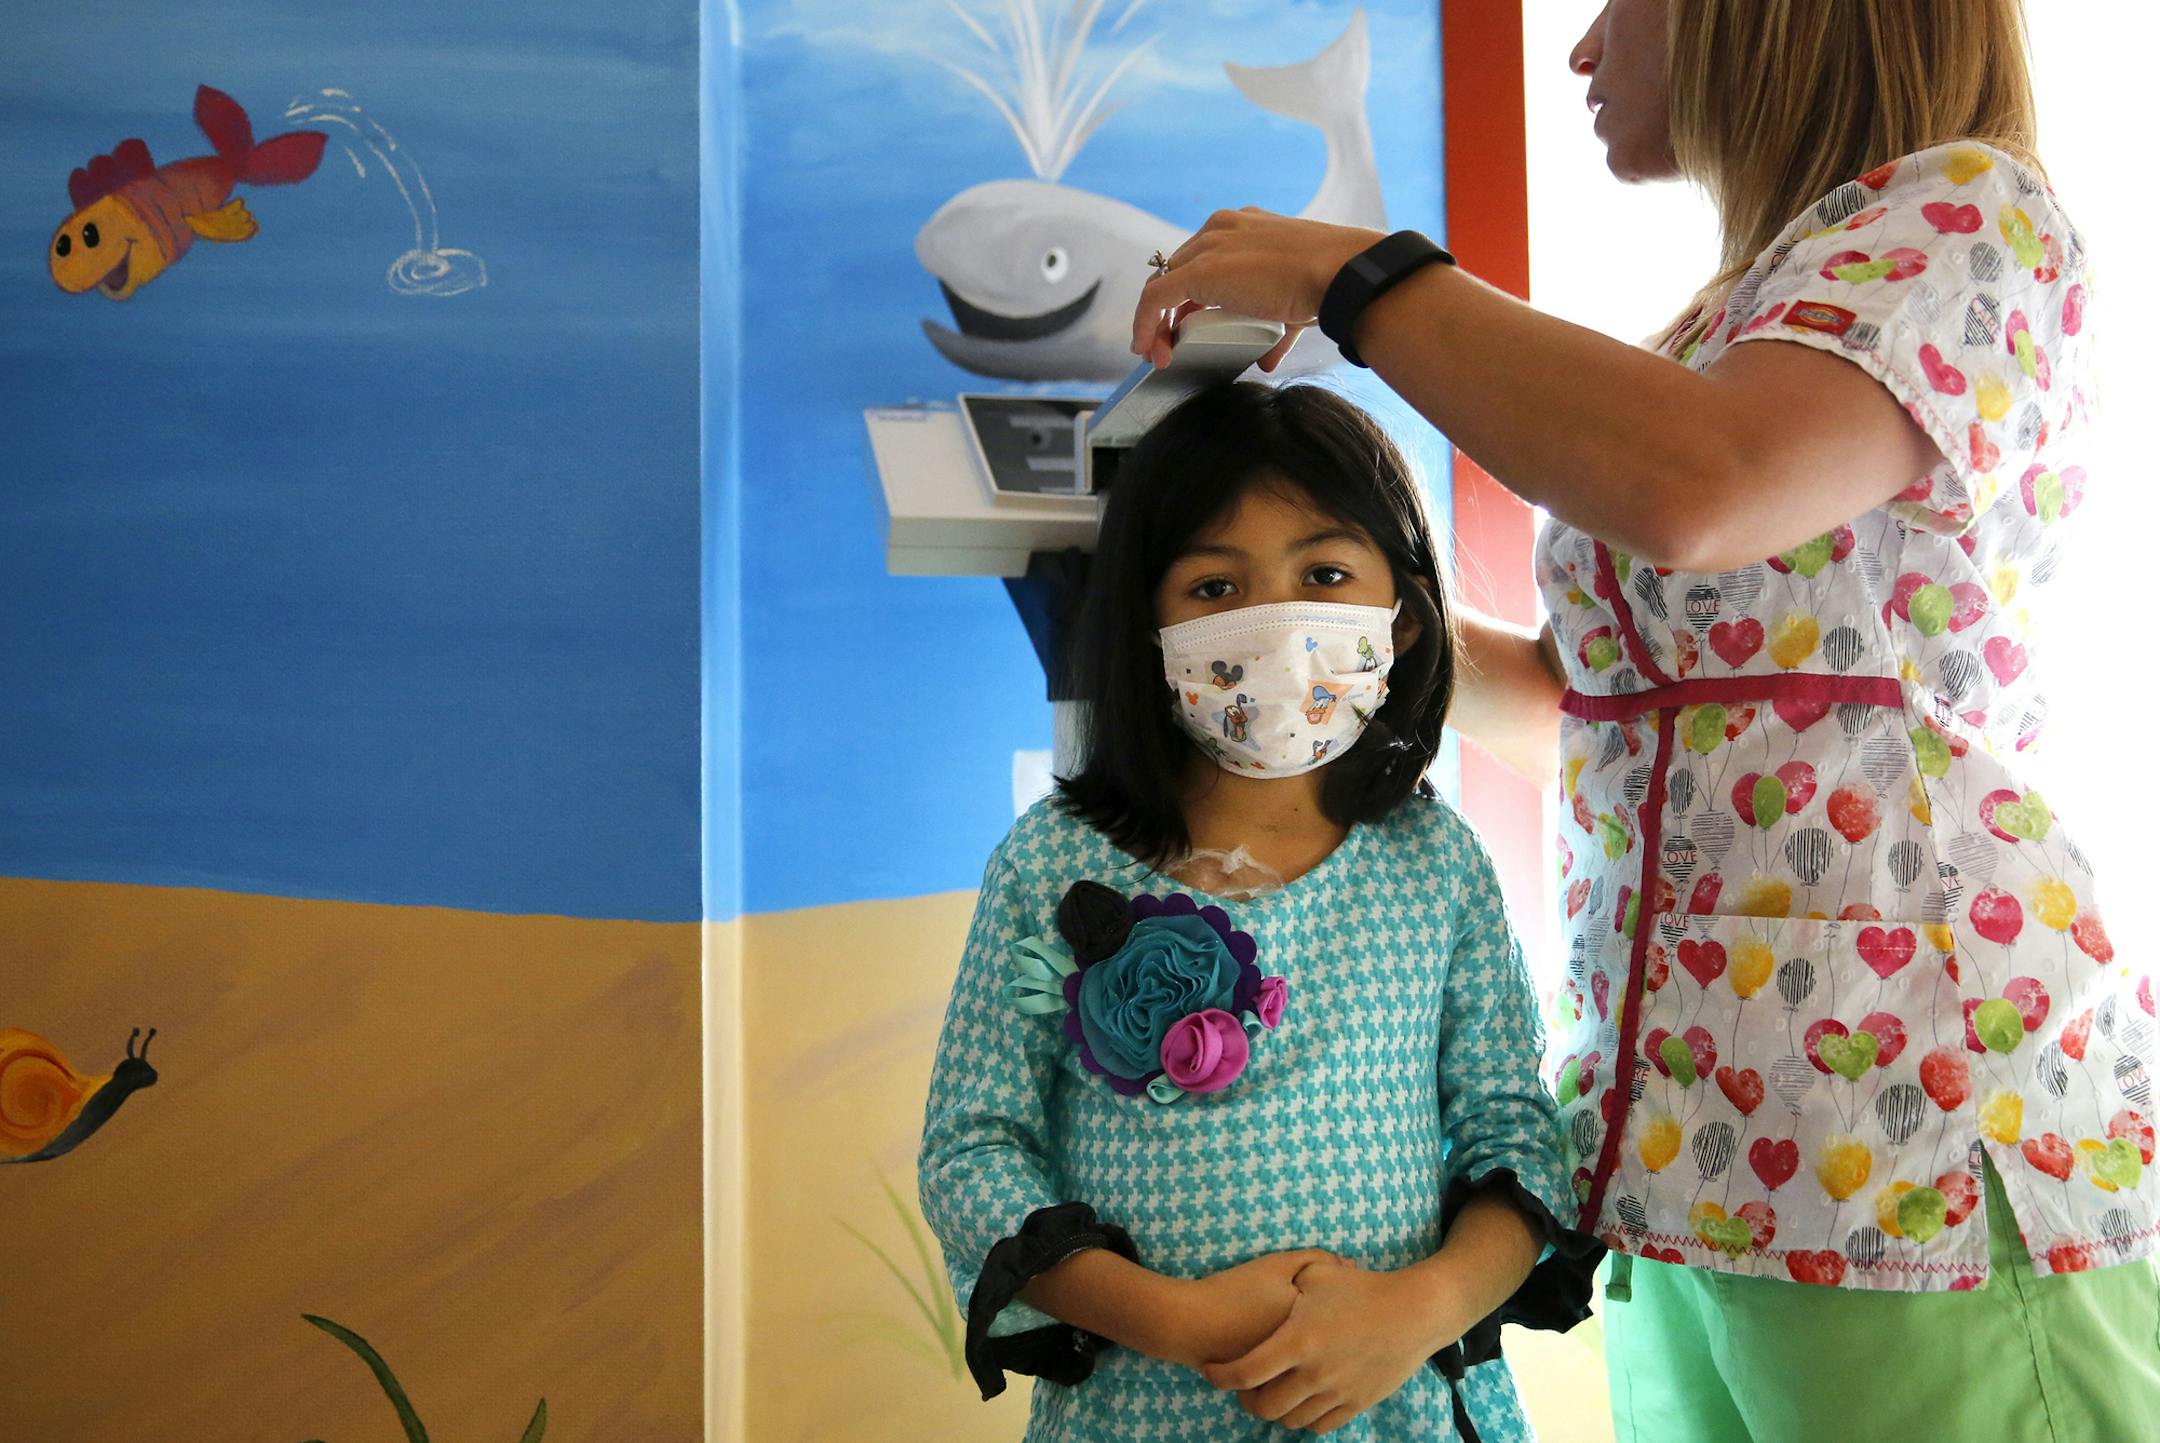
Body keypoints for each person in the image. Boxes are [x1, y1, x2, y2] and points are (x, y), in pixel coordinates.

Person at [1125, 2, 2160, 1439]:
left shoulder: (1971, 217)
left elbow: (1701, 480)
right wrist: (1338, 627)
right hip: (1693, 1152)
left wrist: (1354, 279)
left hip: (1911, 1143)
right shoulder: (1749, 310)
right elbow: (1620, 732)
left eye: (1622, 3)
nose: (1583, 49)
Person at [917, 382, 1600, 1441]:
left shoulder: (1439, 864)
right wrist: (1177, 1321)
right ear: (1145, 620)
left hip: (1407, 1410)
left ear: (1404, 619)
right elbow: (973, 1152)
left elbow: (1514, 1138)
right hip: (1142, 1418)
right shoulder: (1051, 866)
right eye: (1213, 584)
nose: (1271, 623)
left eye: (1323, 574)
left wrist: (1418, 1311)